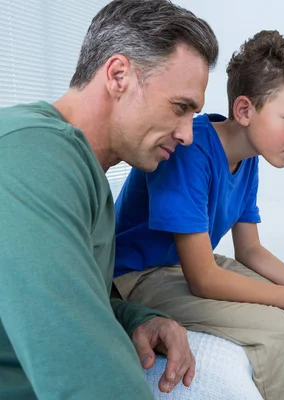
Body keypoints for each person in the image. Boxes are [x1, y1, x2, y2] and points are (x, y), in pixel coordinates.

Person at [112, 30, 284, 400]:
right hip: (139, 276)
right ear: (244, 110)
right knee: (279, 331)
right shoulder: (189, 149)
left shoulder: (248, 158)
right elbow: (202, 279)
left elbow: (251, 251)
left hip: (188, 265)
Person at [0, 1, 219, 398]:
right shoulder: (31, 154)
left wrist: (137, 317)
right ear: (119, 75)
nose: (188, 134)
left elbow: (63, 305)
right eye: (180, 108)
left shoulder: (79, 169)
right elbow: (77, 367)